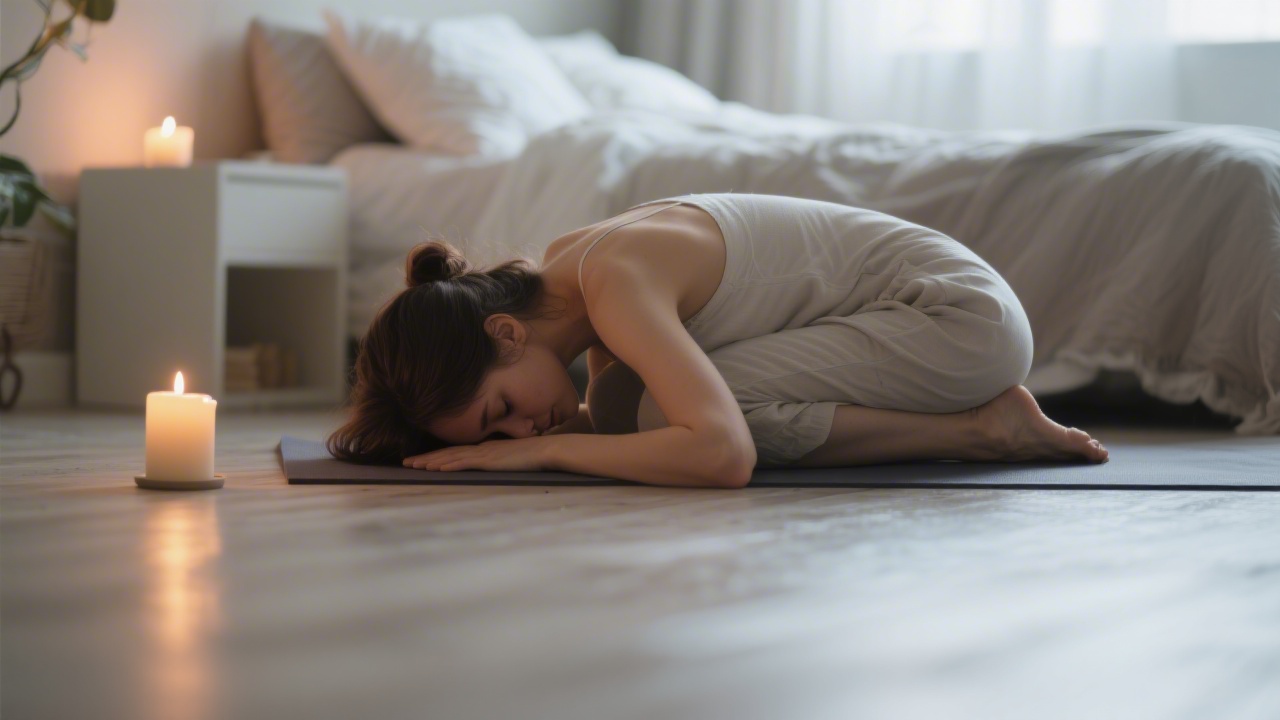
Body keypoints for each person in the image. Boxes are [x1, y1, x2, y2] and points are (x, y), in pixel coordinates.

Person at [327, 193, 1109, 488]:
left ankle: (981, 430)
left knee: (664, 421)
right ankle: (984, 425)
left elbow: (721, 455)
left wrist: (541, 452)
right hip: (940, 313)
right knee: (631, 404)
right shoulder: (571, 271)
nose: (516, 429)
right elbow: (631, 414)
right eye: (498, 432)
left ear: (503, 333)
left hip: (956, 322)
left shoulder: (613, 279)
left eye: (500, 407)